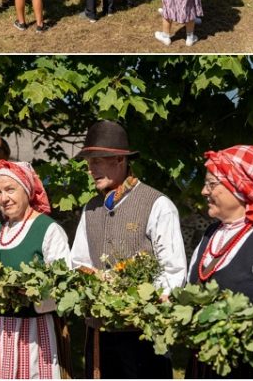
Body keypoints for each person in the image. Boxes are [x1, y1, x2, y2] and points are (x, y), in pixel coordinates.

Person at [70, 120, 186, 379]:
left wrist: (143, 305)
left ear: (120, 160)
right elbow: (77, 262)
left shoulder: (157, 204)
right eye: (89, 162)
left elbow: (174, 270)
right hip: (99, 331)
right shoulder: (90, 208)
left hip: (142, 334)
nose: (91, 169)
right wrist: (92, 287)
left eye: (98, 161)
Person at [187, 146, 253, 378]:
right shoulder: (210, 235)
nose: (204, 191)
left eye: (212, 184)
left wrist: (248, 333)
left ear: (240, 187)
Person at [0, 159, 72, 379]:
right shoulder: (0, 228)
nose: (4, 198)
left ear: (27, 190)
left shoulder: (47, 229)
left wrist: (34, 289)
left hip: (31, 331)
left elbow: (65, 283)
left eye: (10, 189)